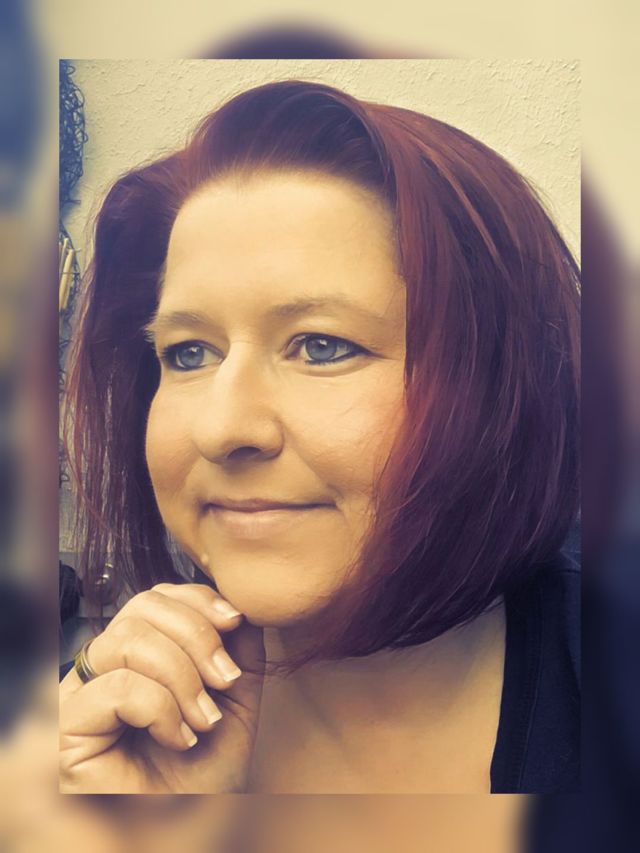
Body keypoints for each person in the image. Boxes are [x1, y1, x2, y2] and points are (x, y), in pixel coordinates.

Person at [59, 79, 580, 794]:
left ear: (501, 386)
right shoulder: (85, 735)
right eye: (188, 352)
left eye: (322, 346)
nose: (221, 428)